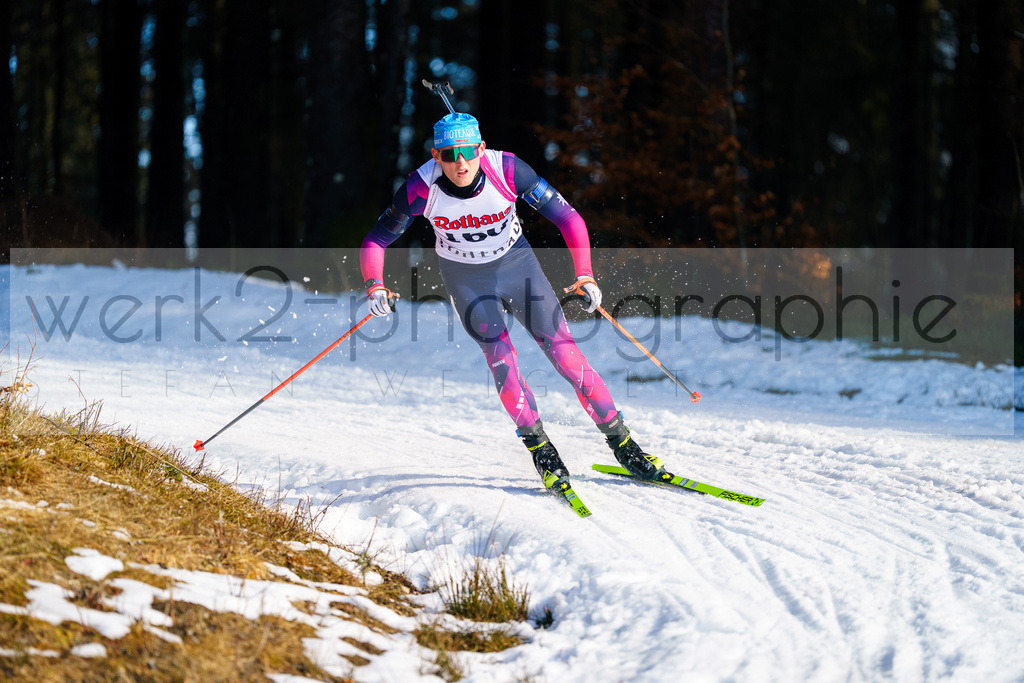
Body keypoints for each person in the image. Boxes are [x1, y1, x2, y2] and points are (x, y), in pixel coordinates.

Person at [359, 111, 671, 493]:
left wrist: (585, 272)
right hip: (466, 279)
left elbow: (568, 218)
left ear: (481, 149)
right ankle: (543, 452)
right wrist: (375, 285)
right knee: (503, 361)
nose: (461, 162)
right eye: (450, 153)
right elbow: (376, 240)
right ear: (435, 155)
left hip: (517, 265)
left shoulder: (507, 169)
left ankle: (624, 446)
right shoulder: (419, 189)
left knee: (567, 356)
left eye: (468, 152)